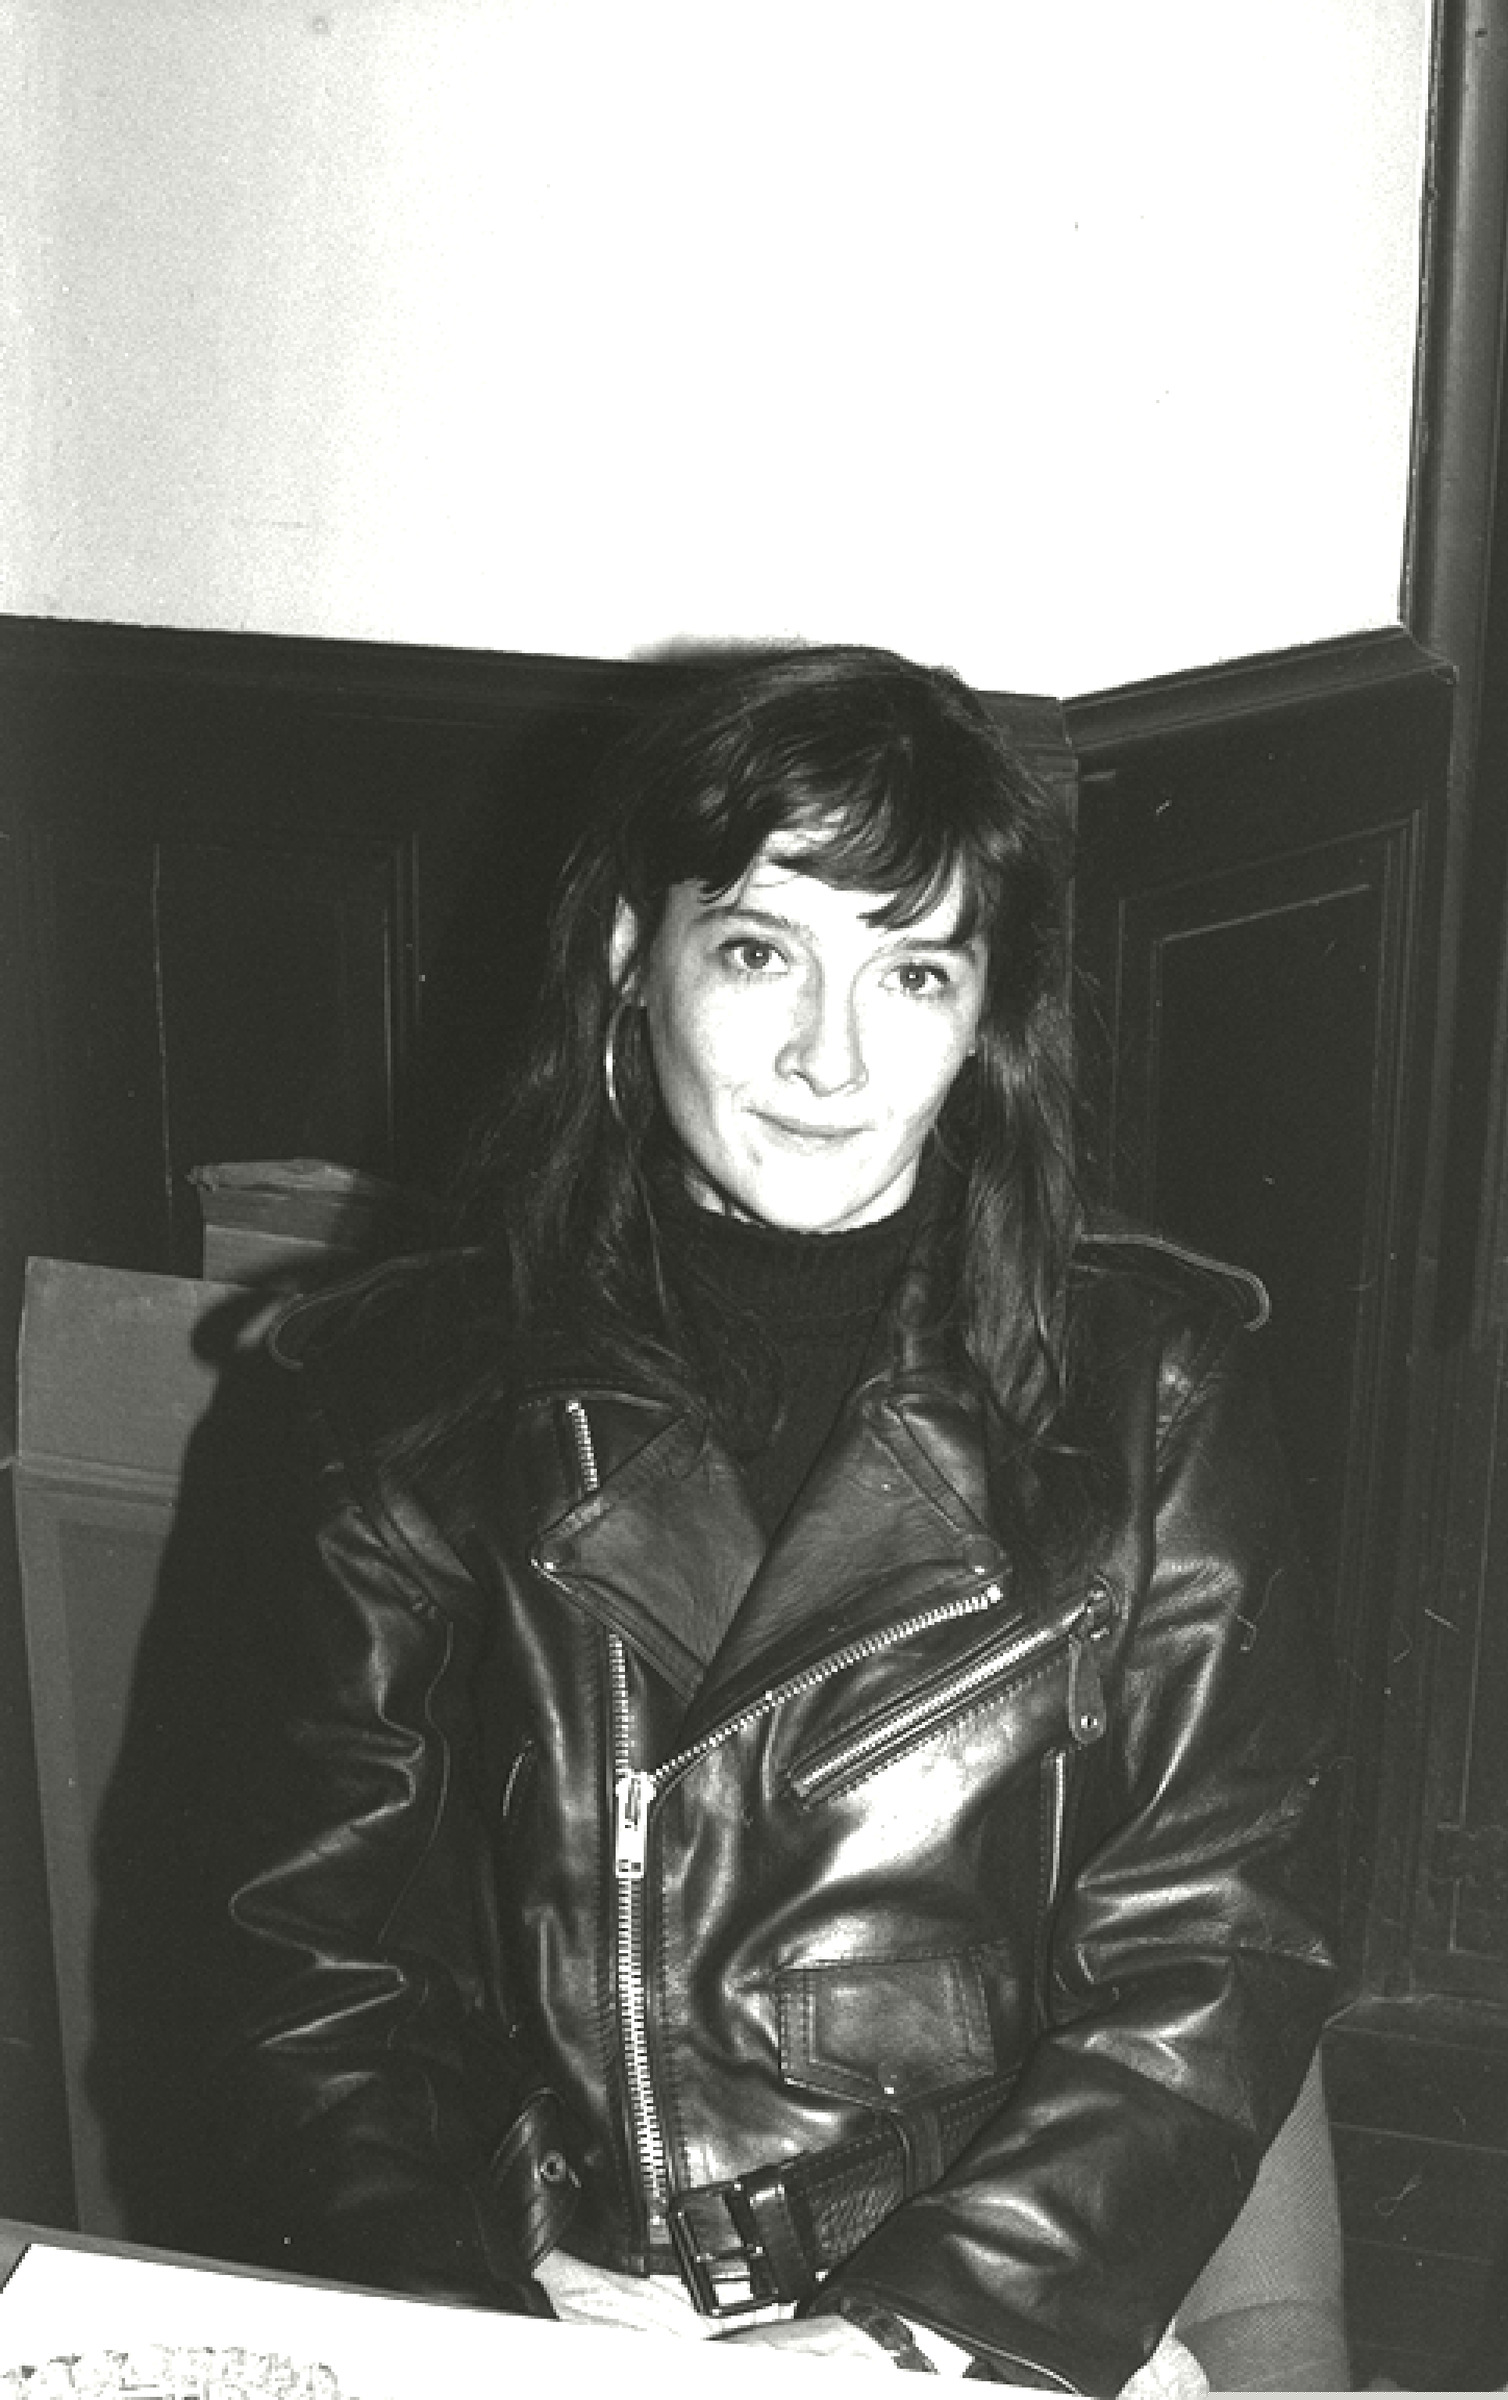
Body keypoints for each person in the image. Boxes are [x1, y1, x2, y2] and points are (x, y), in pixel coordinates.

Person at [207, 644, 1340, 2395]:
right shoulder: (399, 1400)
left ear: (984, 1017)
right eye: (758, 951)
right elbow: (299, 1965)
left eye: (912, 972)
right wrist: (475, 2295)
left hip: (997, 2306)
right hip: (550, 2302)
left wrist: (914, 2327)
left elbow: (1214, 1941)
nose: (829, 1055)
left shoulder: (1151, 1393)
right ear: (630, 957)